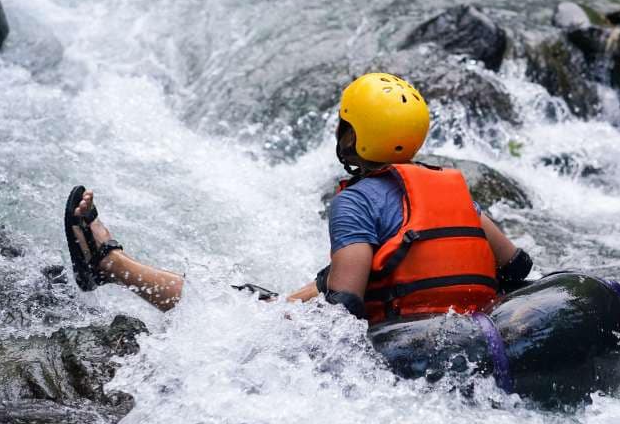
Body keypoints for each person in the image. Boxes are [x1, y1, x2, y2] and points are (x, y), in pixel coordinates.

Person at [65, 72, 532, 323]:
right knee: (302, 293)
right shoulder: (450, 190)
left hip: (405, 334)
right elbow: (516, 268)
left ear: (353, 139)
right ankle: (112, 266)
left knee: (238, 310)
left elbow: (345, 305)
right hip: (462, 328)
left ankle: (110, 267)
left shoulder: (356, 202)